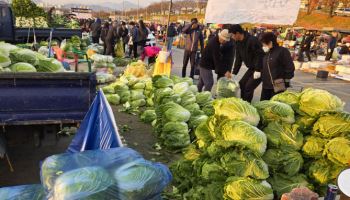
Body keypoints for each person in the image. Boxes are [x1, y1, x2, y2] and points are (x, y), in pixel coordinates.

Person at [229, 24, 265, 102]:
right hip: (252, 68)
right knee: (242, 84)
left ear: (238, 33)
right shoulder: (238, 43)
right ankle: (243, 102)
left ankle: (246, 104)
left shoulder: (252, 40)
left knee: (248, 87)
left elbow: (260, 55)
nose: (232, 37)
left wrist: (258, 70)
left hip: (261, 68)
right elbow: (238, 58)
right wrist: (234, 72)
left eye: (232, 35)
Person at [260, 32, 295, 100]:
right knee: (263, 105)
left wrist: (286, 80)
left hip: (278, 84)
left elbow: (290, 67)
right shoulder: (266, 52)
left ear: (270, 42)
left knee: (275, 106)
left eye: (264, 43)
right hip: (266, 85)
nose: (263, 45)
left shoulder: (282, 51)